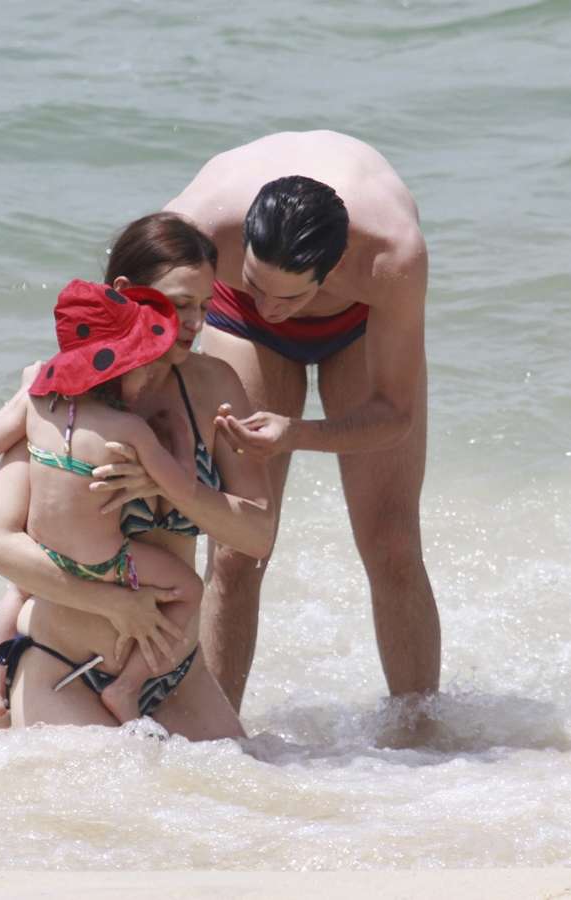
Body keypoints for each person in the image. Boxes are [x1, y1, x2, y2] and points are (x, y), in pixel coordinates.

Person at [164, 130, 441, 713]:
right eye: (258, 284)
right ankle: (218, 736)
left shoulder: (391, 255)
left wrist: (297, 433)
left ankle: (418, 738)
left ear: (334, 265)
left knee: (392, 541)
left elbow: (394, 415)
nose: (272, 309)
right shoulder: (195, 227)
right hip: (233, 320)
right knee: (237, 548)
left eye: (287, 299)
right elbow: (116, 343)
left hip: (359, 317)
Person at [0, 213, 273, 738]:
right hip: (64, 664)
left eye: (205, 306)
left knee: (252, 789)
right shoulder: (61, 391)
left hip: (174, 674)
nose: (195, 323)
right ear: (126, 291)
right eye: (180, 304)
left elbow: (257, 534)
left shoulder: (213, 388)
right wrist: (114, 604)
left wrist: (170, 486)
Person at [0, 279, 210, 724]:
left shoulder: (38, 407)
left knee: (16, 590)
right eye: (142, 367)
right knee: (190, 590)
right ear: (118, 370)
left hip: (45, 554)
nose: (148, 377)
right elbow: (182, 489)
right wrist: (181, 439)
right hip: (107, 563)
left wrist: (25, 391)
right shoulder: (129, 431)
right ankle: (128, 687)